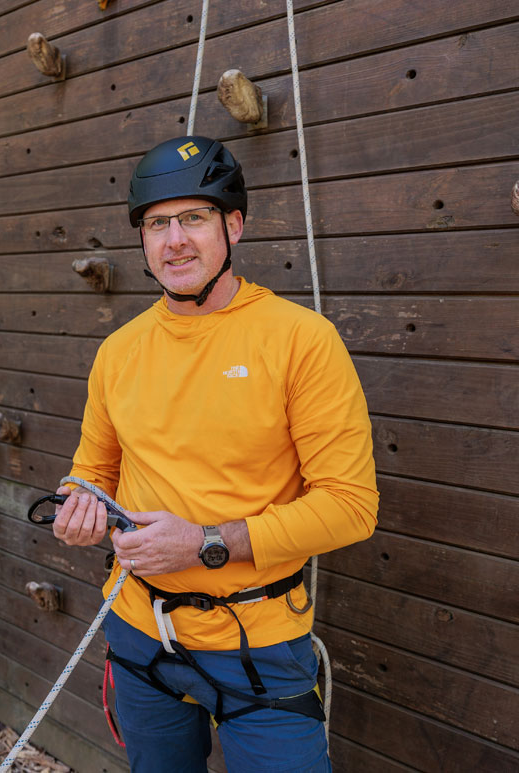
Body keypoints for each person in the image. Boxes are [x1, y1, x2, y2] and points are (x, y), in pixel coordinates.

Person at [50, 136, 379, 772]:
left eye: (194, 218)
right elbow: (92, 471)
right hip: (139, 633)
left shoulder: (300, 340)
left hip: (258, 644)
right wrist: (77, 505)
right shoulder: (119, 351)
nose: (174, 241)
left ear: (234, 225)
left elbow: (351, 506)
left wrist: (205, 542)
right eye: (156, 224)